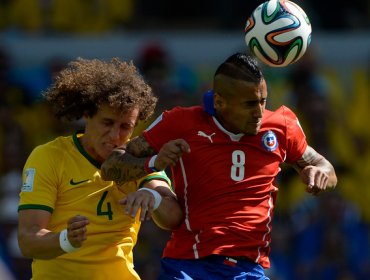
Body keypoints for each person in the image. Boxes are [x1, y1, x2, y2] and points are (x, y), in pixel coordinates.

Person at [101, 53, 338, 279]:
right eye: (249, 104)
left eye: (262, 101)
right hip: (189, 264)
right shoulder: (181, 123)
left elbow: (324, 166)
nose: (258, 112)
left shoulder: (282, 126)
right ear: (219, 102)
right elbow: (112, 165)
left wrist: (320, 173)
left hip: (248, 269)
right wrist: (153, 162)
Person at [17, 57, 183, 280]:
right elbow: (28, 240)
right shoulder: (50, 157)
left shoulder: (138, 162)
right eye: (107, 123)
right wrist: (67, 240)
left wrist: (152, 195)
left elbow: (173, 217)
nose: (115, 136)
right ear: (87, 115)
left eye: (125, 127)